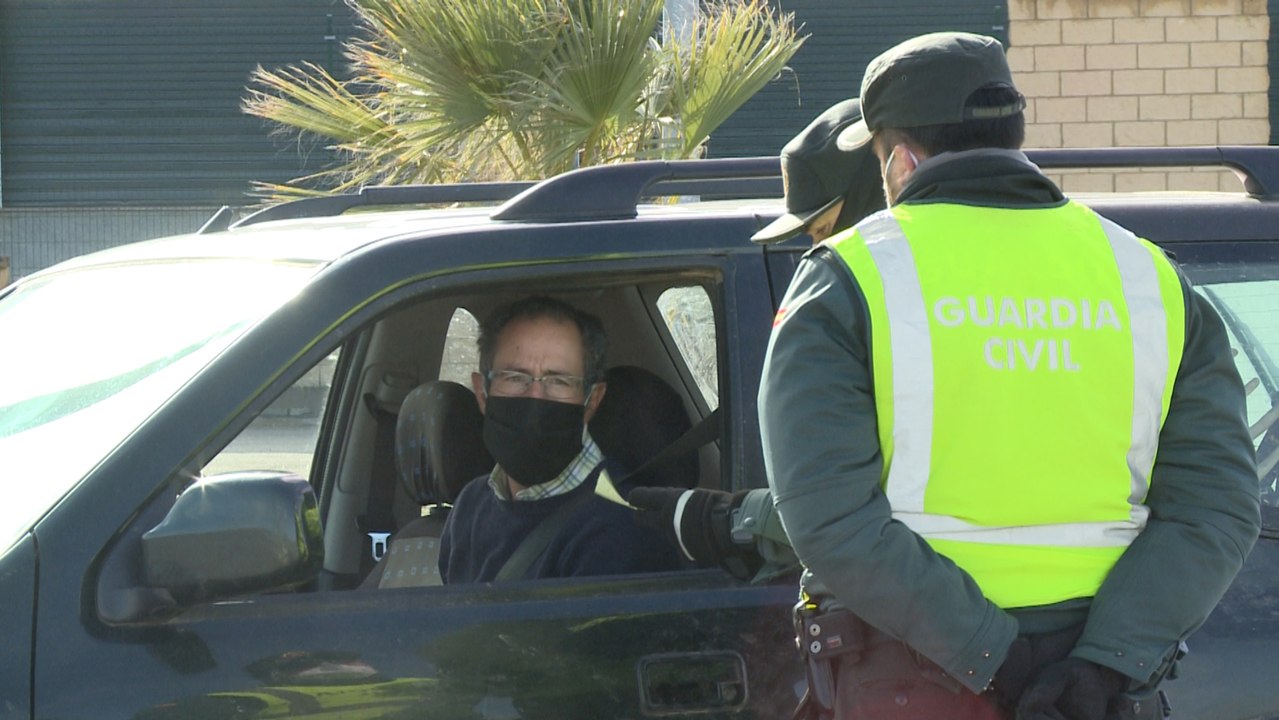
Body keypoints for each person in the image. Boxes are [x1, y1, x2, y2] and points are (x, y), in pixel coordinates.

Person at [757, 31, 1260, 720]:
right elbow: (1214, 509)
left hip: (921, 681)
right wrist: (1103, 663)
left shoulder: (847, 279)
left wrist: (994, 657)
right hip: (1096, 695)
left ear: (899, 161)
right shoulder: (1148, 277)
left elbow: (828, 515)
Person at [628, 98, 885, 584]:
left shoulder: (923, 321)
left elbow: (855, 506)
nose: (815, 257)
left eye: (826, 231)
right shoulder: (866, 311)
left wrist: (724, 520)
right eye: (812, 238)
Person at [438, 295, 682, 583]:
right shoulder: (471, 505)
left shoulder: (623, 529)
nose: (535, 396)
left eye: (559, 381)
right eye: (516, 377)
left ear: (592, 401)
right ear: (482, 393)